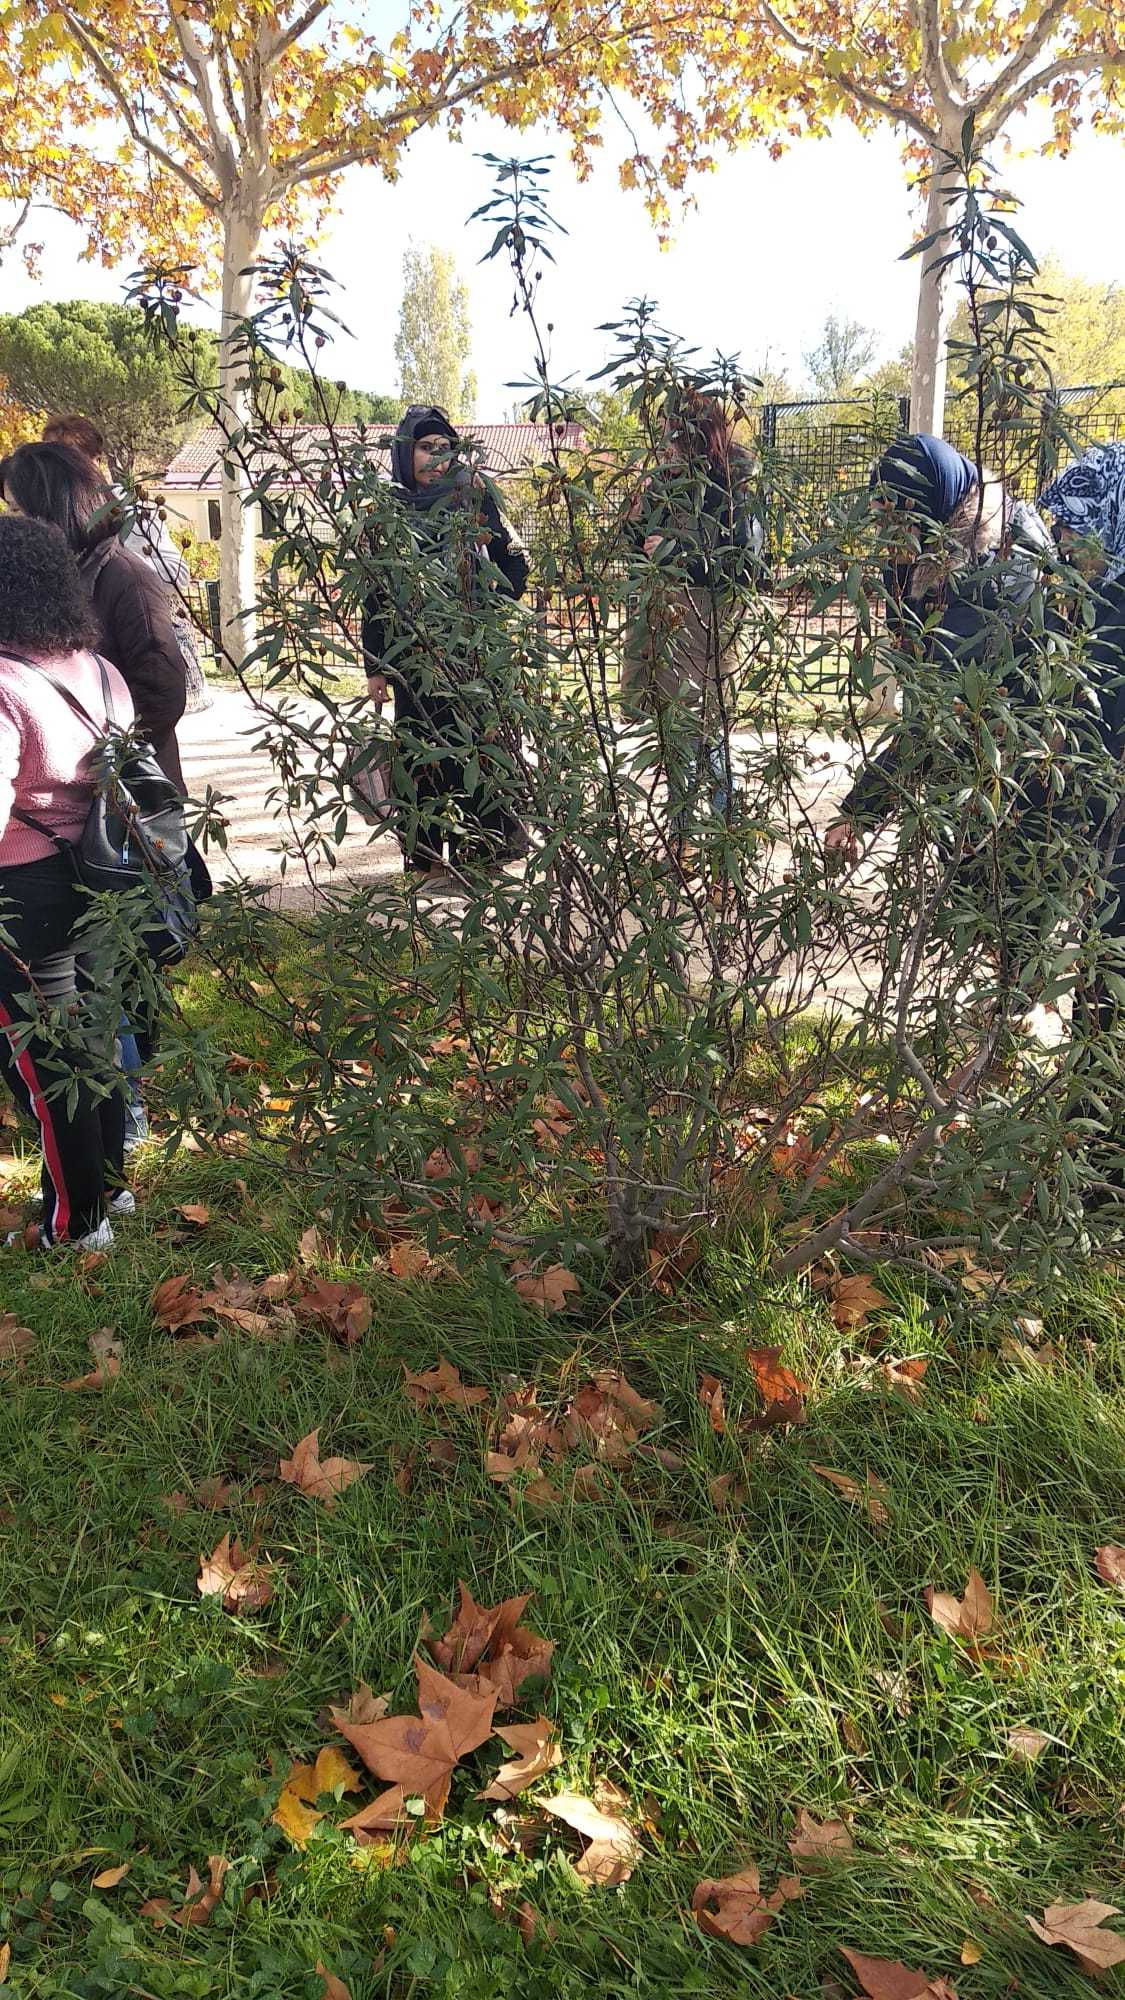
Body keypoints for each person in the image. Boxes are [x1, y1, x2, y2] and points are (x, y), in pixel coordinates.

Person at [0, 514, 136, 1250]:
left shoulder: (5, 683)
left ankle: (77, 1224)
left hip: (23, 892)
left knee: (45, 1061)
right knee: (92, 1039)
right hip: (102, 875)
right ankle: (109, 1187)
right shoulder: (101, 671)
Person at [825, 433, 1053, 867]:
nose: (886, 536)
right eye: (880, 520)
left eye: (898, 521)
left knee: (979, 876)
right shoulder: (932, 550)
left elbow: (938, 715)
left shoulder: (990, 578)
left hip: (1002, 779)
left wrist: (860, 811)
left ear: (929, 508)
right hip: (964, 759)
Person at [361, 406, 529, 876]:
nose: (437, 457)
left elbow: (514, 564)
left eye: (444, 448)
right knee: (420, 756)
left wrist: (488, 607)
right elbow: (375, 591)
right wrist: (375, 666)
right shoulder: (388, 511)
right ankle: (428, 859)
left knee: (476, 751)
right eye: (425, 447)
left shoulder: (473, 499)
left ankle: (483, 856)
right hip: (412, 658)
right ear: (404, 452)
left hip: (470, 656)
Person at [1, 441, 189, 789]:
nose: (11, 522)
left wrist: (95, 763)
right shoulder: (47, 576)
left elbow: (163, 693)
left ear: (53, 506)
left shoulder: (127, 578)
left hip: (123, 798)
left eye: (16, 509)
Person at [1039, 441, 1125, 1190]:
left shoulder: (1114, 615)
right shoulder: (1098, 604)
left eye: (1075, 528)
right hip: (1109, 836)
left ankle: (1100, 1162)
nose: (1063, 545)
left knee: (1111, 978)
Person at [621, 386, 761, 840]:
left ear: (696, 434)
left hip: (709, 630)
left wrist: (677, 553)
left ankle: (724, 843)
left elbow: (745, 565)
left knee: (710, 742)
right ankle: (681, 843)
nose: (666, 443)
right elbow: (637, 554)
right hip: (668, 629)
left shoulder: (734, 486)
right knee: (675, 746)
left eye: (673, 434)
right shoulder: (663, 483)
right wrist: (633, 522)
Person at [41, 415, 211, 715]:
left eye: (69, 458)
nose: (60, 469)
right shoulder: (49, 514)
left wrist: (119, 559)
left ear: (95, 460)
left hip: (137, 650)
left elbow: (177, 573)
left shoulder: (130, 508)